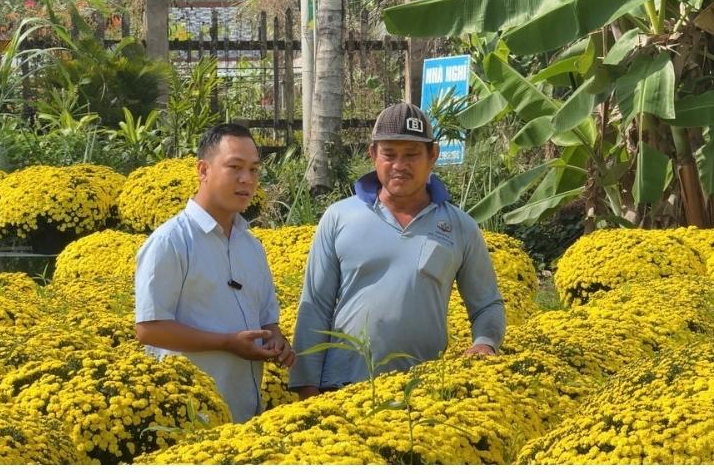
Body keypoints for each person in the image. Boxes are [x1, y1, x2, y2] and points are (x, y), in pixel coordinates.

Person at [289, 102, 505, 399]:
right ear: (373, 155)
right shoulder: (339, 218)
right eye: (389, 154)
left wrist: (484, 343)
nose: (400, 165)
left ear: (433, 156)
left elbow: (486, 305)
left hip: (424, 392)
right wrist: (306, 385)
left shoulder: (460, 227)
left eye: (412, 154)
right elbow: (315, 305)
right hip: (342, 388)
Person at [135, 123, 295, 423]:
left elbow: (267, 320)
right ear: (203, 170)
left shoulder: (251, 246)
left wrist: (276, 341)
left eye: (254, 169)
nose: (246, 179)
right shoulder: (171, 241)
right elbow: (149, 329)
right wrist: (226, 342)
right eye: (234, 167)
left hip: (246, 415)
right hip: (188, 418)